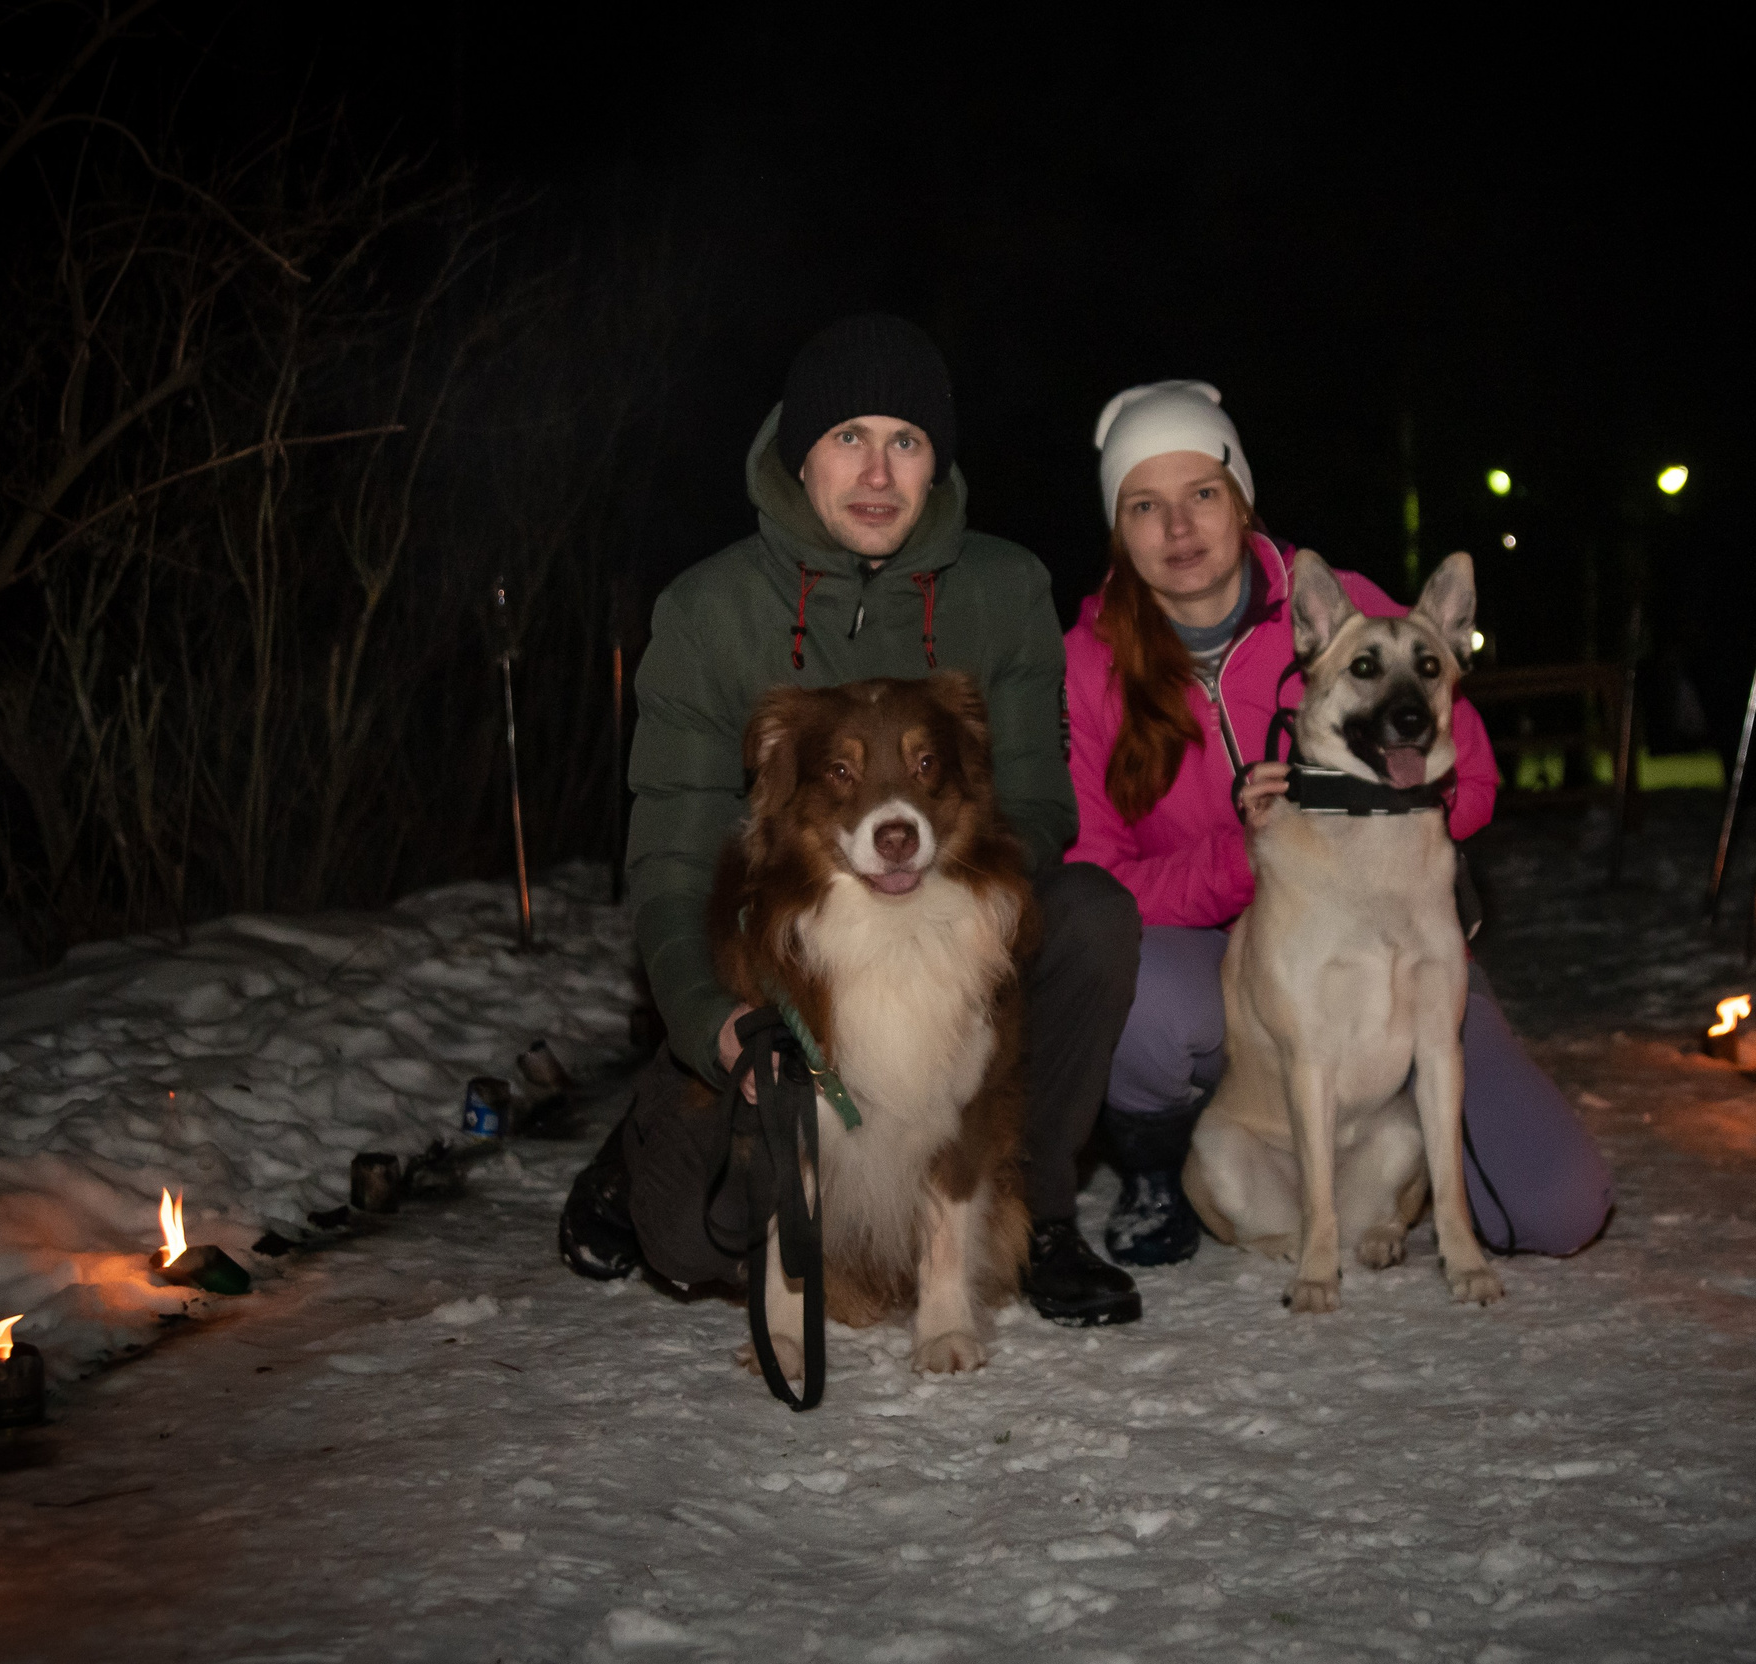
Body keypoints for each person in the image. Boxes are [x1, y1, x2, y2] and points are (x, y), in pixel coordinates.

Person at [558, 314, 1146, 1327]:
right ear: (800, 451)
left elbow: (1042, 803)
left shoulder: (1004, 589)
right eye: (848, 438)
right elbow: (670, 855)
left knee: (1089, 914)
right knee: (697, 1240)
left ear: (936, 462)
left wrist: (954, 914)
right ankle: (641, 1145)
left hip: (947, 928)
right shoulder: (710, 610)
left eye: (906, 441)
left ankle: (1037, 1209)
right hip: (776, 959)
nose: (877, 471)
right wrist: (714, 1024)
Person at [1063, 380, 1614, 1266]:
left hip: (1399, 949)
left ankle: (1413, 1167)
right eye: (1144, 505)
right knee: (1129, 988)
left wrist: (1363, 812)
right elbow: (1094, 877)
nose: (1179, 527)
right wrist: (1247, 856)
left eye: (1202, 493)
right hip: (1221, 961)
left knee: (1555, 1211)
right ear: (1117, 529)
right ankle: (1161, 1169)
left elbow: (1470, 779)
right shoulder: (1085, 665)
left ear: (1240, 498)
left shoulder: (1345, 610)